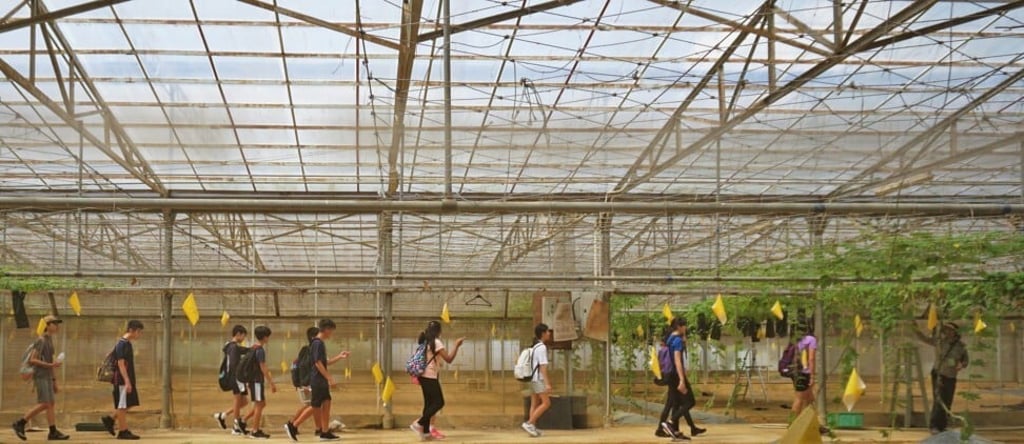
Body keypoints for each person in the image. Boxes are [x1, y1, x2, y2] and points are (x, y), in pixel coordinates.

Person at [12, 315, 70, 441]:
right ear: (47, 326)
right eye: (54, 323)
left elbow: (51, 363)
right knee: (45, 403)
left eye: (57, 323)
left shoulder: (49, 341)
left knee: (51, 404)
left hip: (47, 376)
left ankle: (53, 431)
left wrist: (54, 380)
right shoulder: (41, 340)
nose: (57, 326)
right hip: (40, 376)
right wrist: (51, 365)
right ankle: (20, 423)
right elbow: (33, 359)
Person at [409, 320, 465, 441]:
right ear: (439, 331)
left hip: (422, 376)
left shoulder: (425, 341)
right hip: (430, 376)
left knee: (429, 403)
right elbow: (449, 359)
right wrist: (456, 345)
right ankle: (419, 423)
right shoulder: (436, 342)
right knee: (439, 402)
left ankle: (425, 433)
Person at [914, 322, 969, 434]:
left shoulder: (961, 346)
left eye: (950, 330)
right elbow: (924, 338)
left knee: (948, 401)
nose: (947, 332)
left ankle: (942, 426)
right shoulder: (940, 342)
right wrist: (914, 327)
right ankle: (934, 426)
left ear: (956, 332)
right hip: (939, 374)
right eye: (946, 330)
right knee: (939, 400)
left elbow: (966, 360)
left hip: (951, 375)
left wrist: (961, 365)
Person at [659, 318, 705, 440]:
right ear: (679, 326)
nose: (686, 328)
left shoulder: (670, 339)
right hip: (676, 375)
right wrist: (682, 380)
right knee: (690, 402)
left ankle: (676, 431)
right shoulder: (677, 340)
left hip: (670, 375)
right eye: (684, 326)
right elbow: (678, 361)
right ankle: (669, 423)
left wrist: (683, 334)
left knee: (676, 404)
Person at [305, 319, 350, 442]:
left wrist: (340, 357)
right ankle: (293, 425)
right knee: (315, 405)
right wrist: (329, 378)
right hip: (318, 379)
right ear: (326, 329)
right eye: (331, 331)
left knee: (326, 403)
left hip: (320, 379)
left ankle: (324, 431)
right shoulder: (317, 343)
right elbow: (318, 363)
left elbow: (325, 362)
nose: (332, 334)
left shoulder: (318, 343)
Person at [102, 319, 144, 440]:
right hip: (121, 380)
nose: (139, 335)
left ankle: (110, 419)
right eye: (138, 332)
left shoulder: (126, 343)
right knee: (123, 404)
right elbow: (120, 364)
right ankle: (123, 431)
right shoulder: (122, 344)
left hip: (126, 379)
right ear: (131, 330)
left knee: (128, 403)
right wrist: (126, 381)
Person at [213, 325, 255, 435]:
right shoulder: (233, 347)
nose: (243, 339)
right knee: (237, 400)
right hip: (235, 377)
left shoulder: (232, 346)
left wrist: (252, 349)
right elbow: (233, 363)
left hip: (235, 377)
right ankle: (236, 427)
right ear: (238, 334)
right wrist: (240, 377)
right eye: (243, 336)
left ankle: (223, 415)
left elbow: (244, 350)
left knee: (244, 401)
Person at [789, 321, 828, 435]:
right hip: (804, 373)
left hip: (795, 371)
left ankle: (813, 425)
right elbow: (811, 359)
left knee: (810, 399)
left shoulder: (795, 340)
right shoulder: (811, 339)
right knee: (800, 399)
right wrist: (812, 376)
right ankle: (792, 426)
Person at [284, 326, 319, 442]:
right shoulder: (309, 351)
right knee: (313, 405)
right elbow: (305, 368)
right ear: (314, 337)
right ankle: (293, 425)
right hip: (307, 383)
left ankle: (317, 428)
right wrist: (305, 384)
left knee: (310, 405)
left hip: (307, 383)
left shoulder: (307, 350)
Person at [521, 323, 552, 438]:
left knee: (534, 403)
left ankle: (532, 427)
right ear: (543, 334)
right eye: (548, 331)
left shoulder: (534, 346)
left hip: (531, 378)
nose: (549, 334)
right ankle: (529, 424)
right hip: (538, 379)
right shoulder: (542, 347)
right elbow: (543, 367)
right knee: (546, 403)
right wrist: (547, 383)